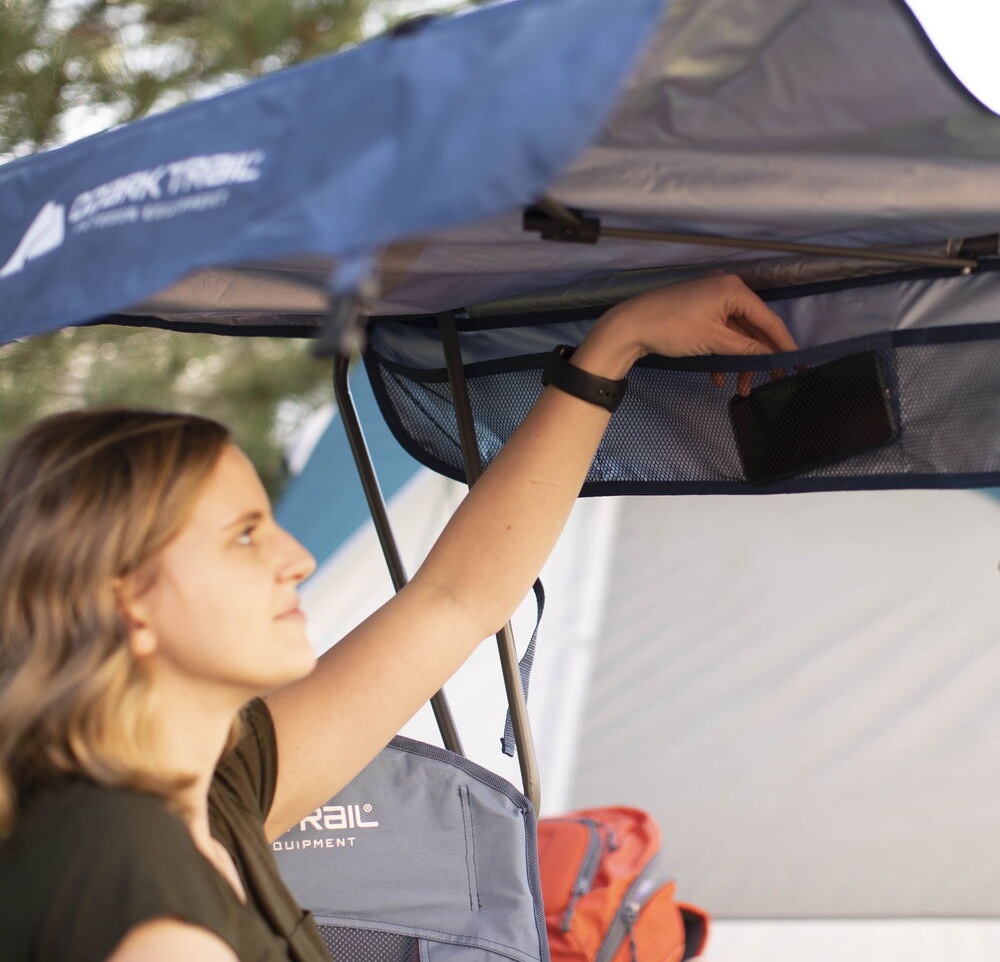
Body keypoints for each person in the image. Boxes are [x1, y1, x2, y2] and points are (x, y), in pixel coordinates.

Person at [0, 275, 796, 961]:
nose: (297, 558)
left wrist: (615, 346)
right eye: (244, 534)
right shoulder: (134, 890)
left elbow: (456, 598)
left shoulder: (213, 789)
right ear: (127, 602)